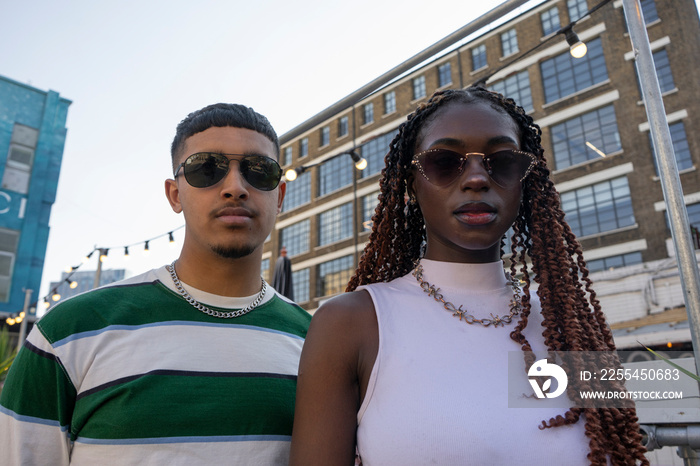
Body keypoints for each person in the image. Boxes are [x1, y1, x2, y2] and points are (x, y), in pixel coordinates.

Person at [290, 87, 648, 465]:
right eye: (445, 161)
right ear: (411, 184)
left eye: (503, 160)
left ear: (525, 183)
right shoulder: (351, 323)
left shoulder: (572, 327)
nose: (476, 178)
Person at [0, 103, 311, 465]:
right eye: (206, 169)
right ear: (175, 194)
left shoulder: (316, 341)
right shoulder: (70, 333)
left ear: (281, 196)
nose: (235, 187)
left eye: (259, 171)